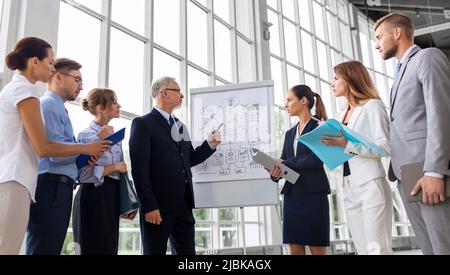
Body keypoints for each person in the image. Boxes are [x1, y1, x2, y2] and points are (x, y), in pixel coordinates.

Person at [0, 37, 110, 255]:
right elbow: (44, 147)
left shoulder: (20, 90)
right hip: (17, 178)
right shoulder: (27, 92)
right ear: (34, 61)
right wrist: (86, 148)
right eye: (49, 62)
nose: (51, 68)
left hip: (17, 178)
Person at [374, 12, 450, 255]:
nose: (377, 45)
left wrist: (435, 171)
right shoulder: (399, 72)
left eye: (379, 37)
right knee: (429, 248)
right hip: (406, 174)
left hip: (427, 172)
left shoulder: (427, 57)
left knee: (444, 245)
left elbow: (441, 114)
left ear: (397, 33)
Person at [129, 76, 221, 255]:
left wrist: (210, 144)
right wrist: (149, 206)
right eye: (177, 91)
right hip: (158, 207)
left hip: (184, 205)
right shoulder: (143, 124)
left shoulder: (180, 126)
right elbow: (139, 169)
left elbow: (189, 159)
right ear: (163, 93)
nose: (182, 95)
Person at [321, 61, 393, 255]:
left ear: (350, 79)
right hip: (348, 186)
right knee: (362, 250)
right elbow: (343, 152)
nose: (332, 83)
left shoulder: (373, 106)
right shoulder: (339, 114)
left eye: (336, 79)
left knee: (376, 248)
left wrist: (347, 145)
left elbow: (385, 148)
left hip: (370, 184)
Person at [25, 58, 91, 255]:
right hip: (50, 187)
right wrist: (86, 148)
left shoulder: (58, 106)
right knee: (43, 248)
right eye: (77, 80)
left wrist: (85, 154)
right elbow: (54, 153)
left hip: (58, 187)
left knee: (49, 247)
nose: (81, 86)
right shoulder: (50, 105)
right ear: (59, 77)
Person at [268, 85, 330, 255]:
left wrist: (286, 163)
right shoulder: (289, 133)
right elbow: (285, 161)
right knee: (295, 249)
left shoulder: (320, 127)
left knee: (317, 248)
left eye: (289, 99)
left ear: (303, 101)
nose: (285, 104)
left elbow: (316, 159)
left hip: (313, 195)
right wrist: (275, 172)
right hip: (292, 195)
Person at [72, 88, 135, 255]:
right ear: (100, 108)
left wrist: (127, 204)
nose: (119, 106)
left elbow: (120, 173)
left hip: (111, 195)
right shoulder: (85, 136)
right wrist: (113, 167)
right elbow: (83, 175)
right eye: (114, 103)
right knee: (90, 247)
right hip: (92, 196)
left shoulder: (116, 135)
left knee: (109, 247)